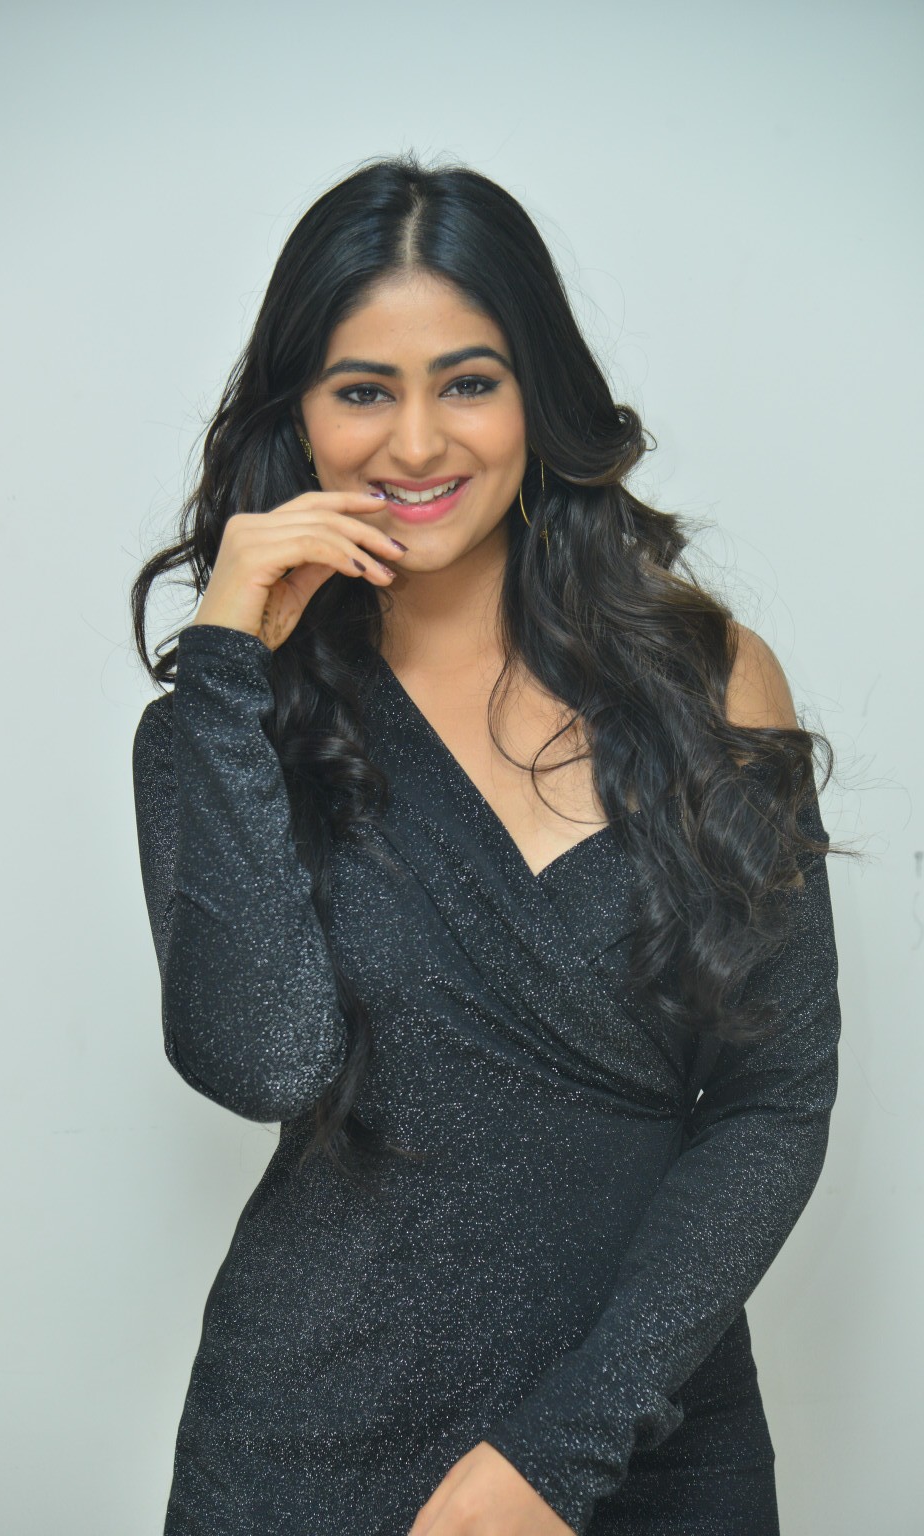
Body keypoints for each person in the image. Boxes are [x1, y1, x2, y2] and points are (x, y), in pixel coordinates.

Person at [130, 153, 846, 1536]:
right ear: (301, 418)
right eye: (361, 390)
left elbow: (773, 1103)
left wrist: (560, 1453)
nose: (414, 444)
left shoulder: (709, 679)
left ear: (537, 396)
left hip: (645, 1434)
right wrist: (223, 670)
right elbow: (265, 1061)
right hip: (311, 1445)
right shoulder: (223, 726)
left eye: (466, 381)